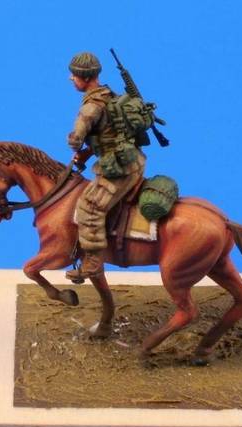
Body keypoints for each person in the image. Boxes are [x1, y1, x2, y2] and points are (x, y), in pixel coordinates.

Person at [65, 52, 146, 281]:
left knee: (89, 207)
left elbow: (75, 140)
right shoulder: (110, 95)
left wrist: (75, 140)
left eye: (74, 75)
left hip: (121, 169)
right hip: (132, 159)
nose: (71, 79)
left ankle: (92, 263)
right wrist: (89, 152)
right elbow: (110, 134)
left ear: (85, 77)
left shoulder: (91, 107)